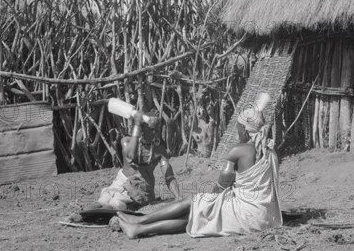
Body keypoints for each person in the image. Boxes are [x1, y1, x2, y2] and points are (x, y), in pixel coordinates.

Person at [113, 96, 283, 239]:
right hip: (266, 217)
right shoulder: (271, 152)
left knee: (194, 202)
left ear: (245, 131)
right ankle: (138, 228)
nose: (238, 133)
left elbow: (221, 186)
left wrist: (206, 200)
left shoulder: (239, 150)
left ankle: (140, 221)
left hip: (246, 214)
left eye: (238, 128)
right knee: (196, 216)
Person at [96, 110, 181, 211]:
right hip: (120, 182)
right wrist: (137, 126)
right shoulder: (126, 142)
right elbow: (131, 156)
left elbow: (169, 177)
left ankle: (108, 211)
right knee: (102, 201)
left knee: (116, 203)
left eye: (156, 130)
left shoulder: (160, 151)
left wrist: (178, 197)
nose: (155, 133)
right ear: (142, 129)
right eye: (151, 129)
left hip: (140, 188)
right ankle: (81, 215)